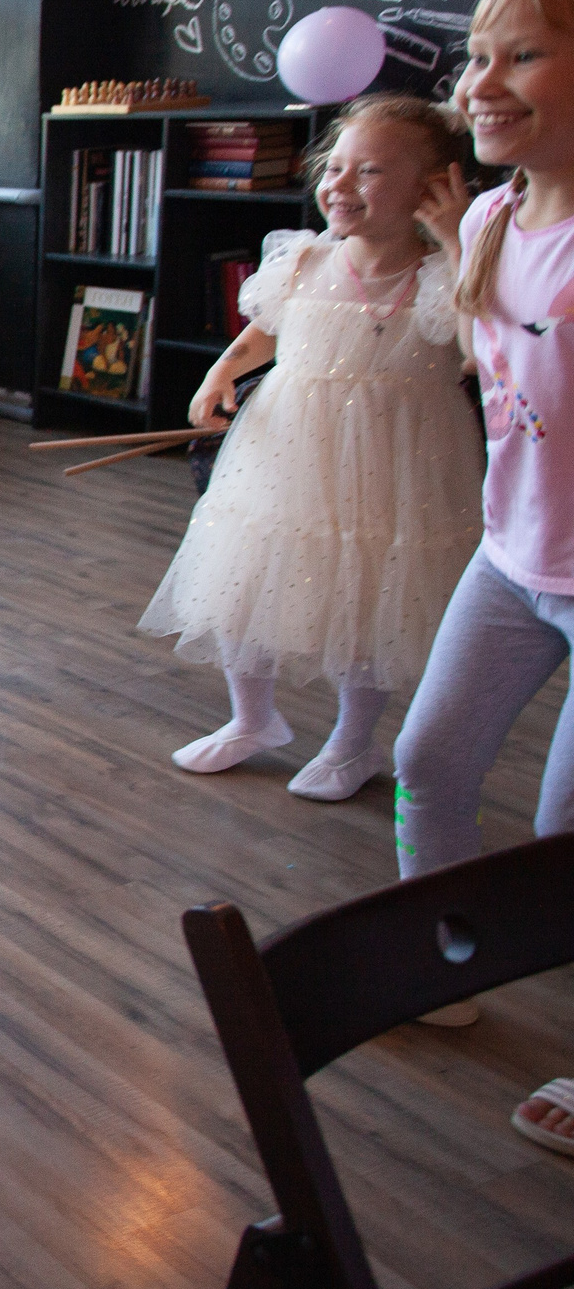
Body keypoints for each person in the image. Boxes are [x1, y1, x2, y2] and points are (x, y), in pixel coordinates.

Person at [139, 98, 481, 800]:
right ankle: (252, 717)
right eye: (337, 167)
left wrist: (457, 244)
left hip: (400, 459)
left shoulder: (448, 275)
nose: (341, 184)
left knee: (372, 602)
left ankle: (353, 742)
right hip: (289, 448)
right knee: (246, 583)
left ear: (433, 186)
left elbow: (480, 352)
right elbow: (262, 333)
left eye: (371, 171)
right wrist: (220, 372)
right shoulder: (303, 257)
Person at [388, 0, 574, 1078]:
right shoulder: (493, 219)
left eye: (526, 55)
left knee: (563, 844)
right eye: (475, 56)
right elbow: (494, 375)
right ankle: (445, 956)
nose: (483, 82)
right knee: (426, 762)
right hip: (511, 561)